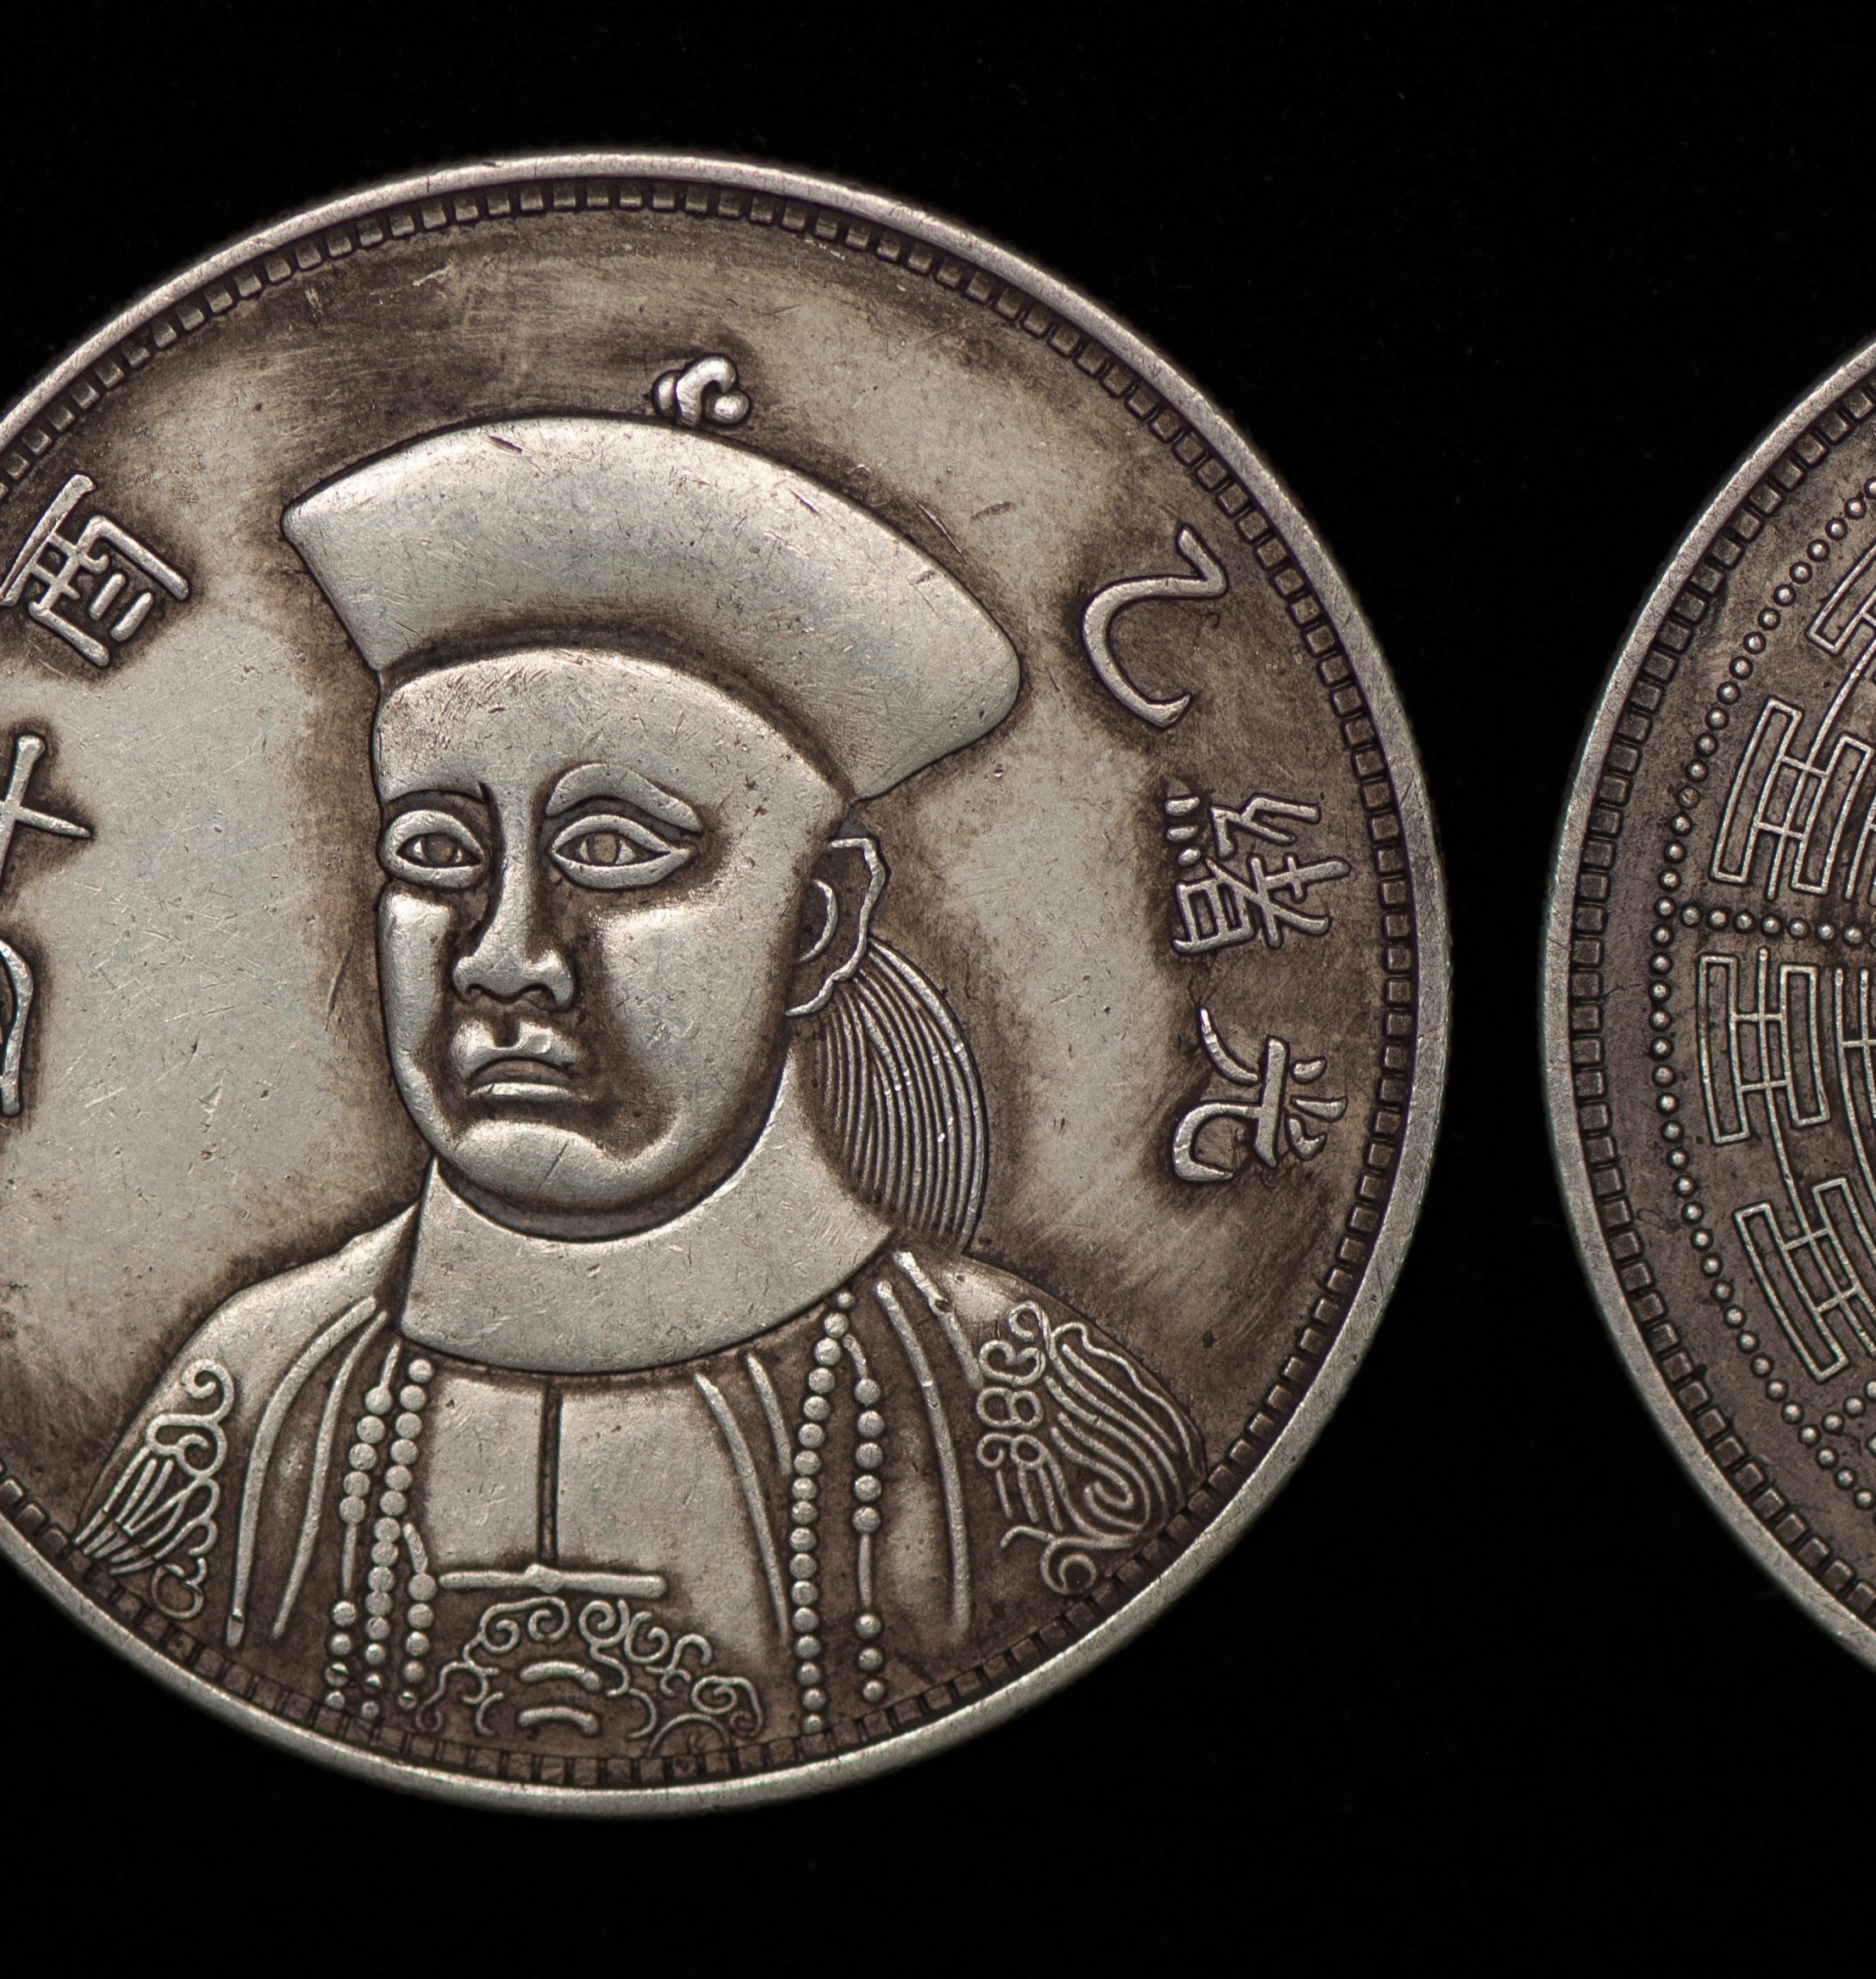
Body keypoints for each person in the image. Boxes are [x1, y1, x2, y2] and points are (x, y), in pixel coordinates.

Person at [66, 412, 1196, 1771]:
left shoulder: (1009, 1413)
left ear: (820, 923)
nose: (503, 957)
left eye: (611, 849)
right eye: (435, 853)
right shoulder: (252, 1403)